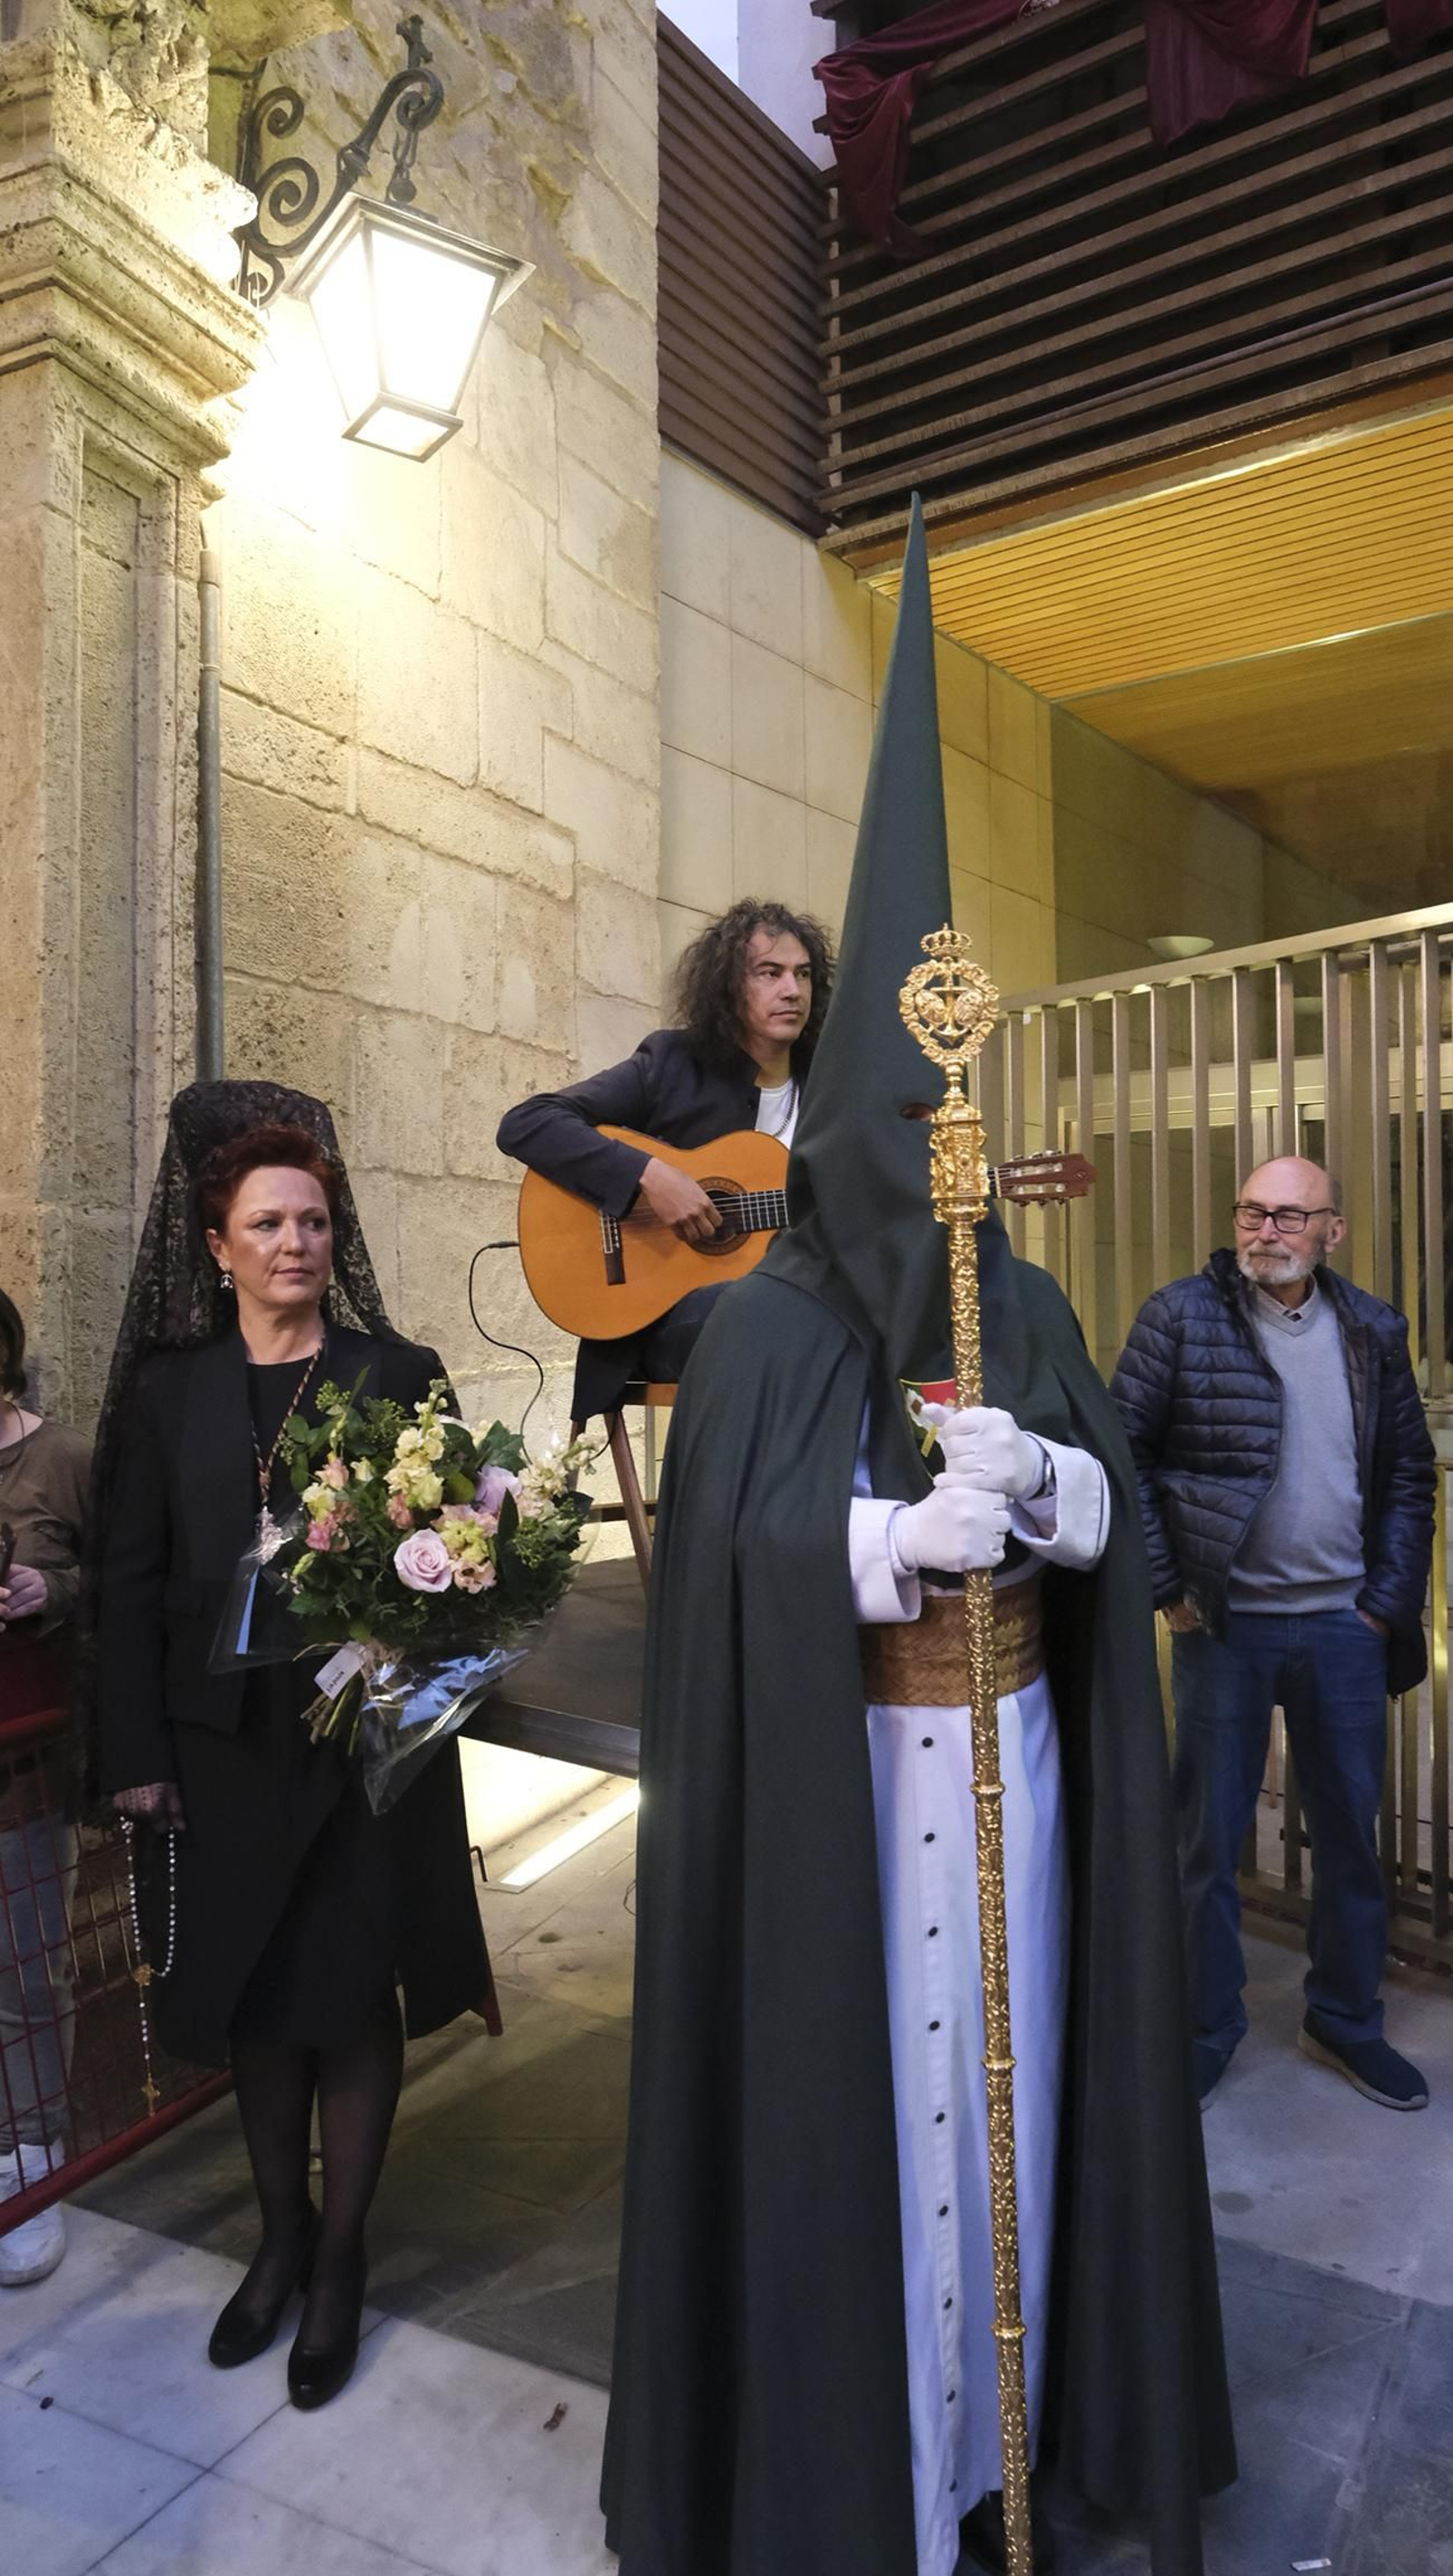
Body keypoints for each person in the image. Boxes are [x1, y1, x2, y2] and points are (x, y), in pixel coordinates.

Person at [602, 505, 1233, 2576]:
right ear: (841, 1130)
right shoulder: (771, 1323)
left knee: (1026, 2117)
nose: (928, 1171)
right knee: (860, 2140)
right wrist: (878, 1539)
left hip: (1021, 1775)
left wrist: (1040, 1490)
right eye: (896, 1136)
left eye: (945, 1135)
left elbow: (1109, 1503)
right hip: (848, 1804)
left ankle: (1008, 2460)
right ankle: (863, 2468)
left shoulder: (1022, 1301)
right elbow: (726, 1554)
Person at [92, 1081, 496, 2410]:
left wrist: (423, 1618)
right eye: (266, 1222)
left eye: (314, 1221)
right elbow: (132, 1583)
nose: (294, 1244)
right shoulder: (168, 1391)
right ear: (217, 1244)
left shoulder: (398, 1373)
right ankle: (273, 2241)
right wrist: (134, 1750)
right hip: (223, 1749)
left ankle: (338, 2259)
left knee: (352, 2000)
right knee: (263, 2008)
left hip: (359, 1748)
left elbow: (467, 1568)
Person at [1112, 1157, 1436, 2113]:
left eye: (1291, 1215)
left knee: (1347, 1833)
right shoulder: (1178, 1316)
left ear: (1330, 1229)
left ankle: (1343, 2016)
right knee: (1206, 1839)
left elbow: (1409, 1473)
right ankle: (1206, 2024)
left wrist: (1383, 1598)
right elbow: (1119, 1449)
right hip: (1225, 1624)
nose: (1267, 1230)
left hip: (1344, 1624)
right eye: (1253, 1211)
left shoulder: (1372, 1329)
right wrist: (1167, 1586)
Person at [497, 897, 834, 1419]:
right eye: (770, 972)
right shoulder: (673, 1064)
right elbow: (527, 1123)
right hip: (663, 1321)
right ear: (729, 986)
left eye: (803, 974)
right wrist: (647, 1176)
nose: (792, 990)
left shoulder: (831, 1089)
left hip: (797, 1309)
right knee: (765, 1309)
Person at [0, 1291, 91, 2286]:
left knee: (27, 1969)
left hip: (24, 1767)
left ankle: (33, 2155)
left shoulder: (62, 1457)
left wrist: (47, 1590)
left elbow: (118, 1577)